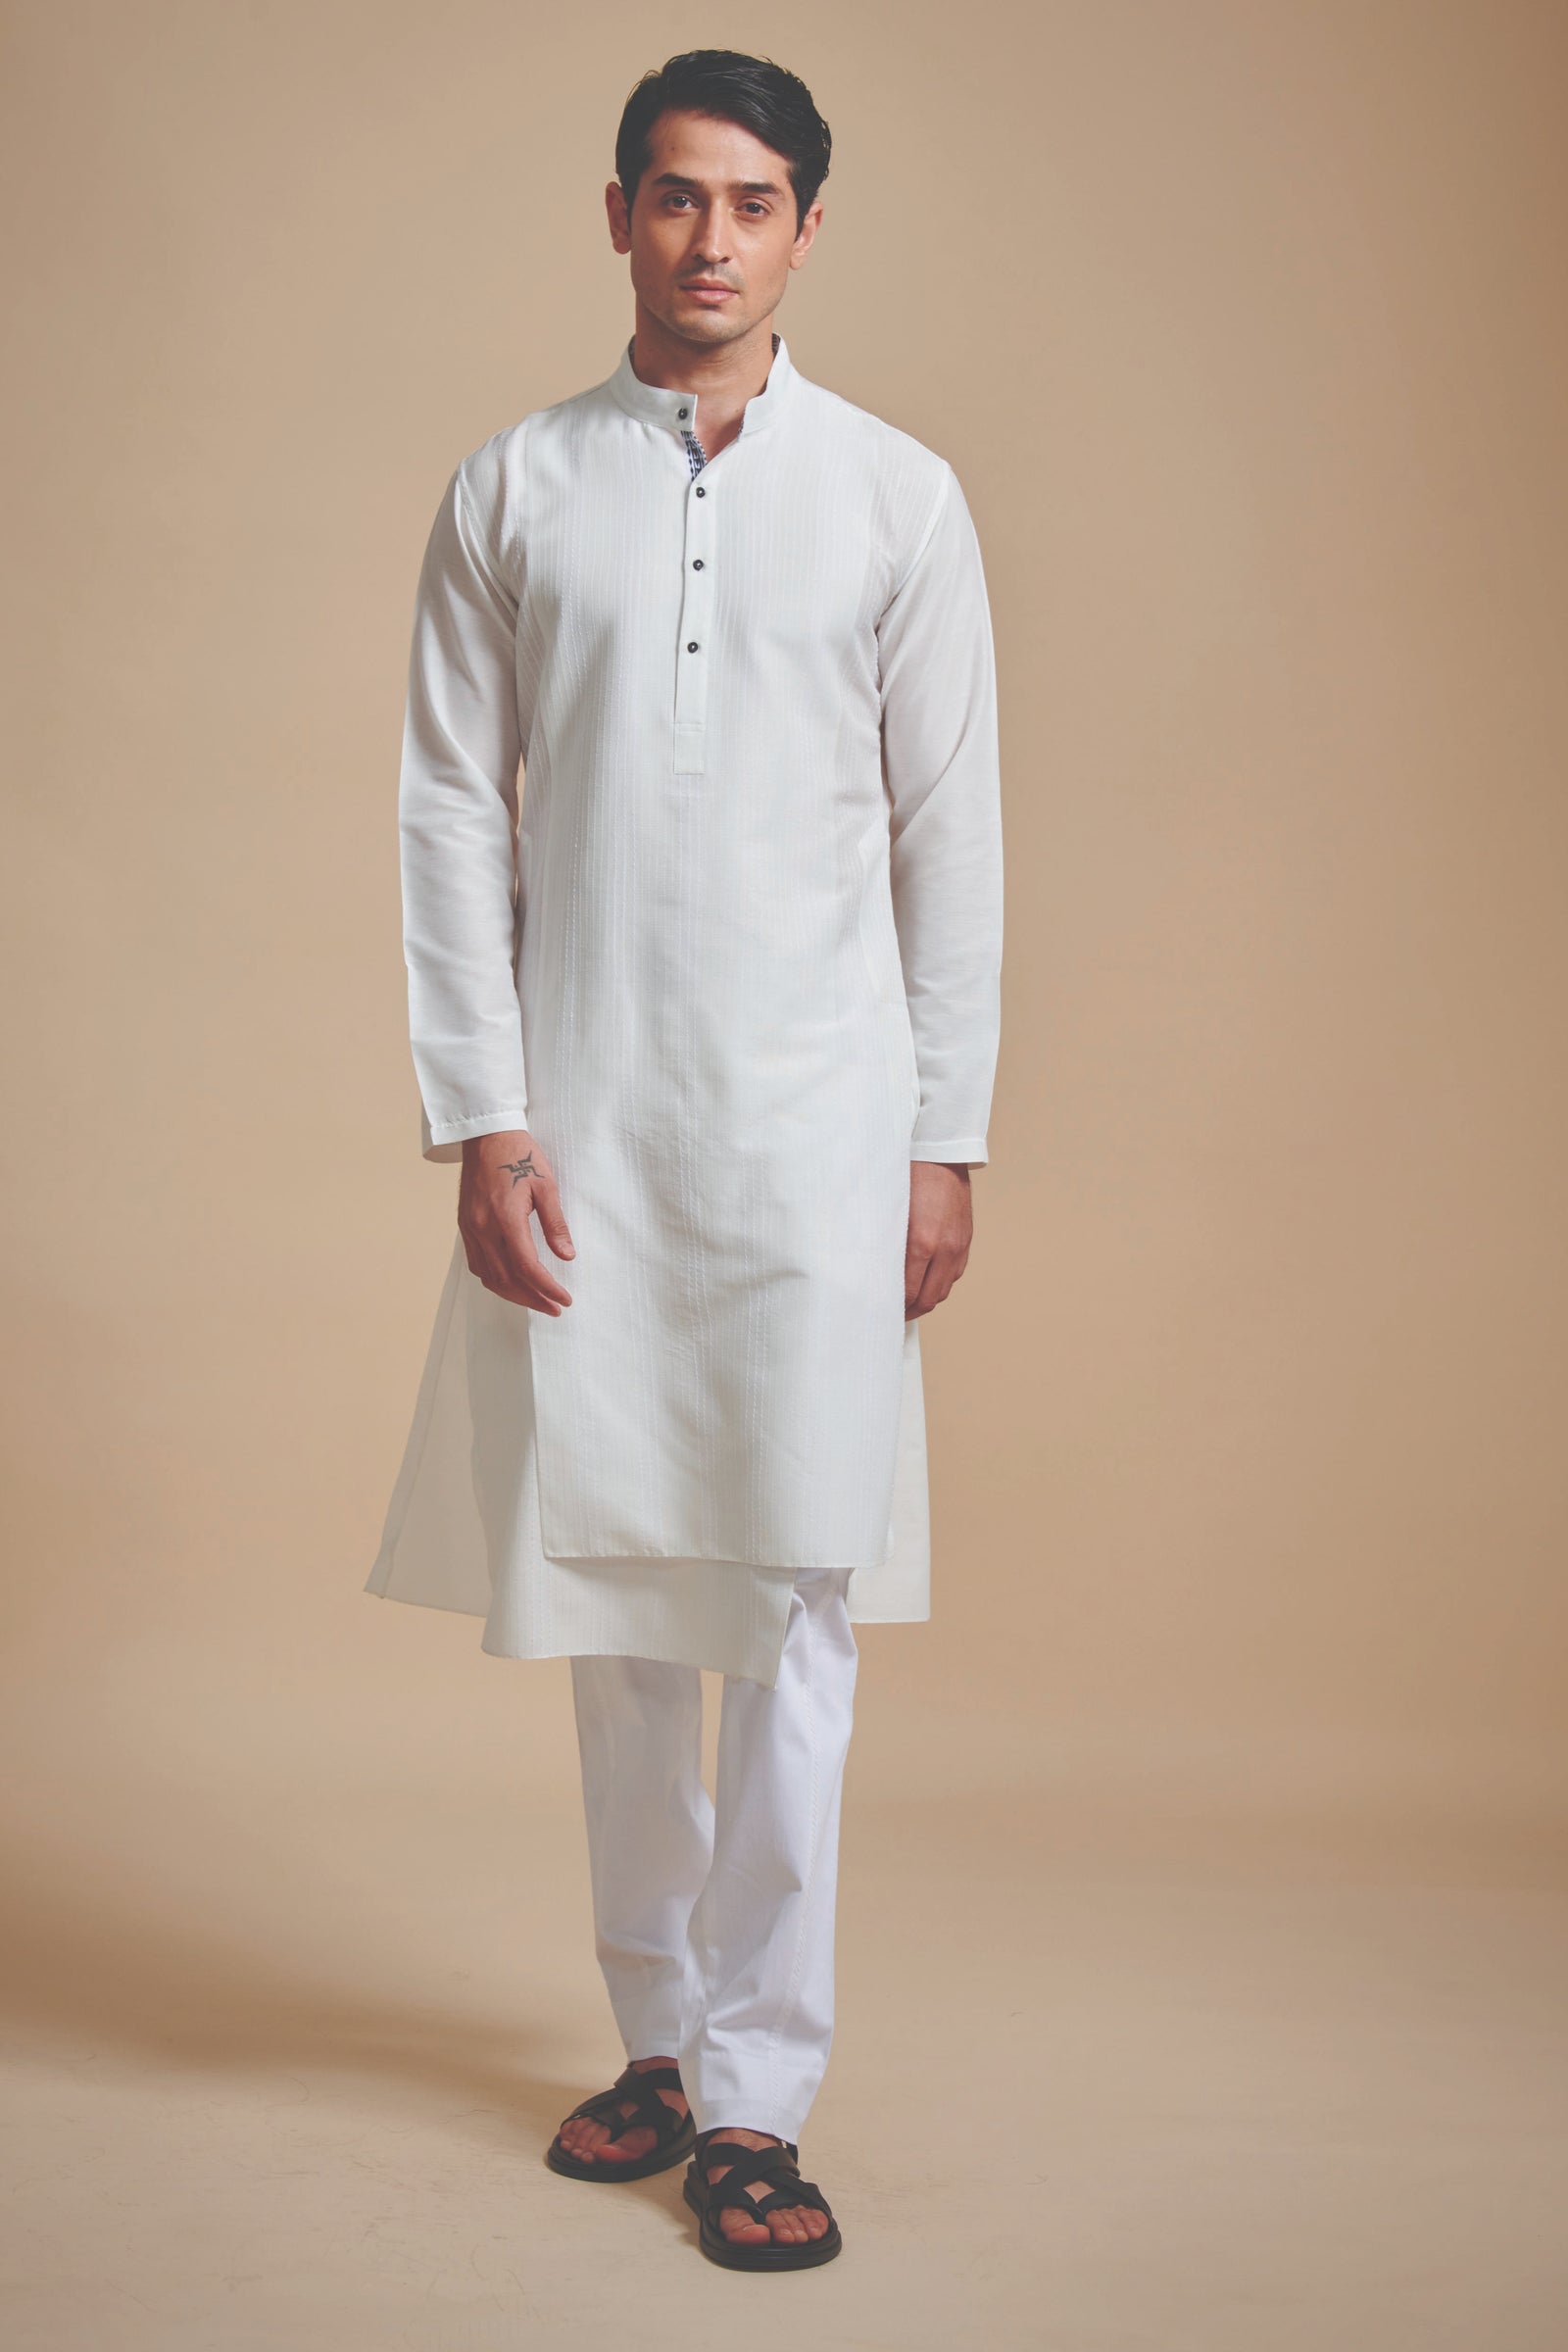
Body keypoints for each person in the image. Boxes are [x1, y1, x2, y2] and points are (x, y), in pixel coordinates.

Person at [367, 48, 1004, 2272]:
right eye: (672, 195)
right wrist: (483, 1111)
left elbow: (952, 835)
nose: (709, 237)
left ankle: (759, 2095)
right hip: (591, 1125)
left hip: (823, 1130)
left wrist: (945, 1136)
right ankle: (657, 2039)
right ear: (617, 213)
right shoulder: (515, 487)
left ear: (805, 228)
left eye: (750, 201)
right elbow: (449, 813)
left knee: (800, 1608)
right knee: (623, 1600)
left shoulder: (898, 497)